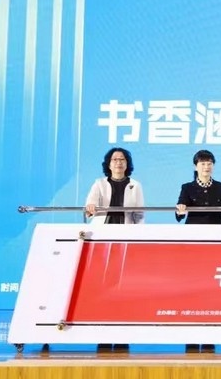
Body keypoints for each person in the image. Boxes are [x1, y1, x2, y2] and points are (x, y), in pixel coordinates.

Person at [84, 147, 144, 352]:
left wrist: (139, 238)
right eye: (115, 159)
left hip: (125, 239)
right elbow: (90, 206)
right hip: (103, 239)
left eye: (122, 159)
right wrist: (91, 207)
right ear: (108, 164)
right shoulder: (99, 184)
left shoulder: (135, 185)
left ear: (127, 163)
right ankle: (102, 332)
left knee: (124, 287)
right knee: (102, 286)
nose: (119, 162)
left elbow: (139, 215)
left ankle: (121, 334)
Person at [175, 149, 221, 353]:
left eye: (209, 163)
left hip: (216, 242)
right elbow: (179, 214)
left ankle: (209, 337)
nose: (206, 167)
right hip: (194, 242)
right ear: (195, 166)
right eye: (202, 163)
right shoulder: (187, 187)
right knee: (192, 288)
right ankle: (191, 337)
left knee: (212, 289)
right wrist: (180, 210)